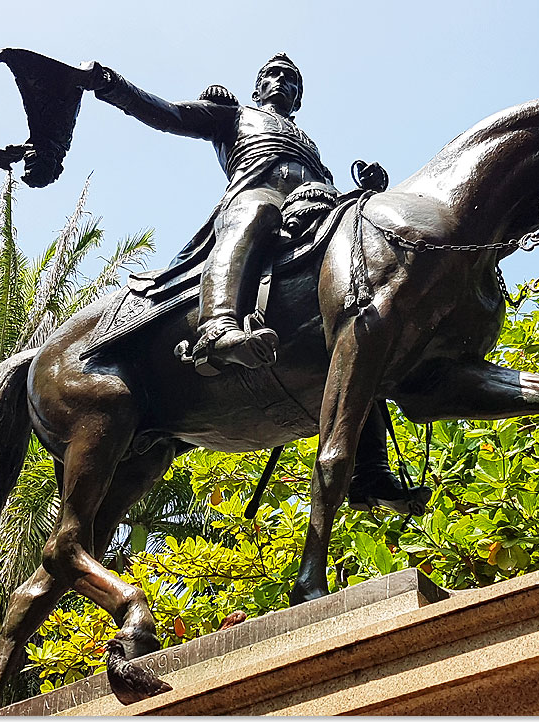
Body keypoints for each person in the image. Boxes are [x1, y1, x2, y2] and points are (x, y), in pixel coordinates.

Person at [84, 53, 428, 514]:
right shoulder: (233, 115)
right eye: (275, 75)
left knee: (366, 307)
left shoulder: (308, 143)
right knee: (257, 209)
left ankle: (368, 469)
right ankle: (217, 328)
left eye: (292, 81)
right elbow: (168, 115)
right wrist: (111, 85)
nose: (283, 83)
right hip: (258, 207)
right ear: (259, 84)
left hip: (314, 214)